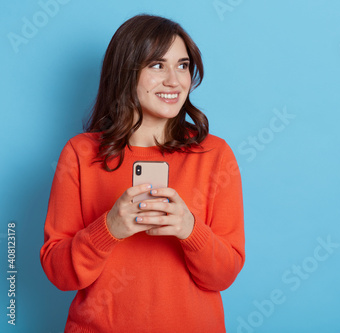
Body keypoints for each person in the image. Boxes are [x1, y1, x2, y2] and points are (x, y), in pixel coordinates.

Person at [40, 14, 245, 332]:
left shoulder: (215, 155)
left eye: (183, 65)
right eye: (157, 65)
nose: (174, 81)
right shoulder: (80, 154)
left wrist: (190, 230)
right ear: (125, 72)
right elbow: (59, 274)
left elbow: (224, 275)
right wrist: (108, 227)